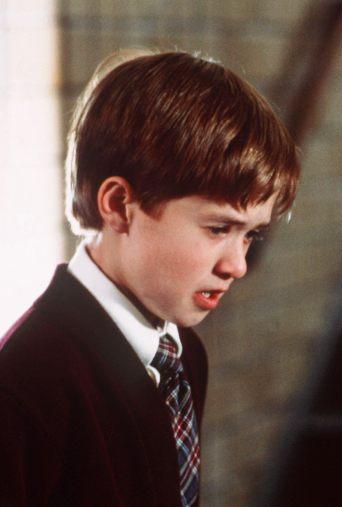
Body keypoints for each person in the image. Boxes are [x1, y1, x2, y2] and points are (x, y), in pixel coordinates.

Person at [0, 49, 299, 506]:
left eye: (250, 235)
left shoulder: (185, 355)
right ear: (119, 205)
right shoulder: (25, 383)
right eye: (218, 229)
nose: (237, 266)